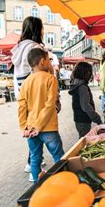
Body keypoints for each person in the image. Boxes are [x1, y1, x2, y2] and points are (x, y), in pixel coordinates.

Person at [17, 48, 64, 183]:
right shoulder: (51, 79)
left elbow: (21, 106)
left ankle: (37, 188)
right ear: (42, 61)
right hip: (48, 127)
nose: (50, 62)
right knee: (59, 158)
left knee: (35, 158)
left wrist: (23, 127)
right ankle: (63, 183)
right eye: (49, 60)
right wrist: (39, 125)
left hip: (31, 128)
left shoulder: (26, 82)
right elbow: (50, 105)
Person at [11, 17, 48, 178]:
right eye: (42, 28)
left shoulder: (18, 48)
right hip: (36, 96)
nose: (43, 31)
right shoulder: (35, 48)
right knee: (41, 129)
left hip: (22, 94)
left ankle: (34, 162)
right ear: (37, 29)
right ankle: (34, 166)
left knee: (32, 128)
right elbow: (43, 71)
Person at [69, 62, 102, 137]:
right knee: (84, 140)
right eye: (89, 72)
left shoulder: (76, 84)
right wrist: (96, 118)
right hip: (83, 119)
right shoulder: (82, 87)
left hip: (79, 118)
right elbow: (85, 106)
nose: (90, 74)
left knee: (83, 137)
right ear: (86, 73)